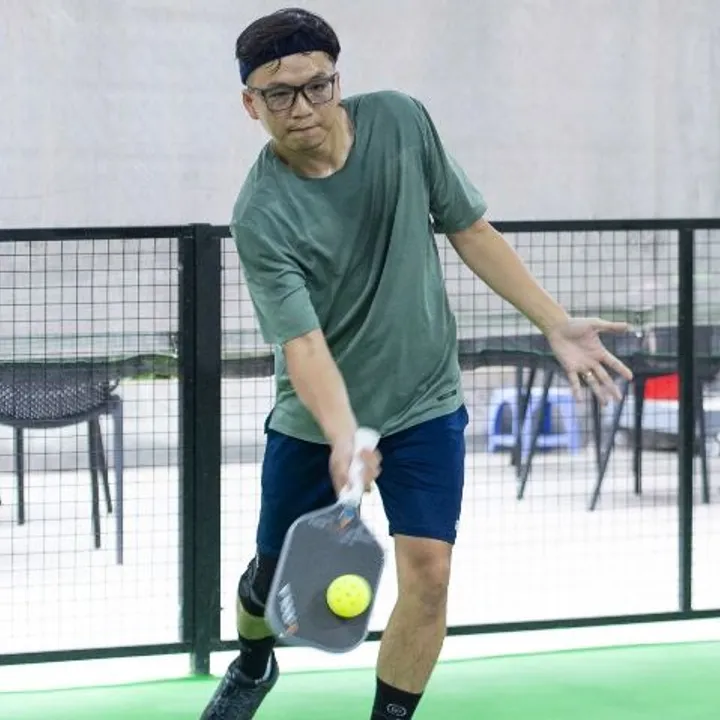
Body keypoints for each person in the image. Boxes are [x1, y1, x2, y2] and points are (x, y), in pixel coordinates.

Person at [200, 7, 634, 719]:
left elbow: (469, 227)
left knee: (429, 574)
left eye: (317, 85)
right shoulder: (261, 213)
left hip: (424, 402)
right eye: (279, 94)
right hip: (315, 423)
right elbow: (302, 345)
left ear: (338, 81)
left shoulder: (401, 121)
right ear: (252, 104)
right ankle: (253, 661)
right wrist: (344, 435)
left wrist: (554, 322)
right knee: (271, 588)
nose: (302, 107)